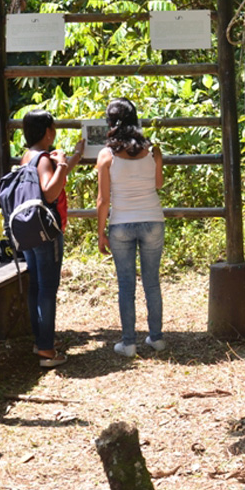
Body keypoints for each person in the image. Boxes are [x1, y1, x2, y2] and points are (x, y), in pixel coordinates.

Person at [96, 98, 166, 357]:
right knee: (152, 283)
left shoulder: (106, 156)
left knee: (126, 285)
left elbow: (103, 200)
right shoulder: (153, 150)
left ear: (111, 122)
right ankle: (156, 338)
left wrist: (100, 233)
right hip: (153, 221)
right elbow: (158, 184)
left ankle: (128, 343)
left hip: (121, 223)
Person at [19, 110, 85, 368]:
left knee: (37, 286)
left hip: (29, 231)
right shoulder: (44, 159)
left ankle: (41, 340)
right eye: (53, 127)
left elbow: (53, 179)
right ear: (48, 131)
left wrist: (74, 157)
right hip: (47, 232)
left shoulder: (28, 156)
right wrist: (63, 164)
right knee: (47, 289)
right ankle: (46, 349)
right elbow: (50, 192)